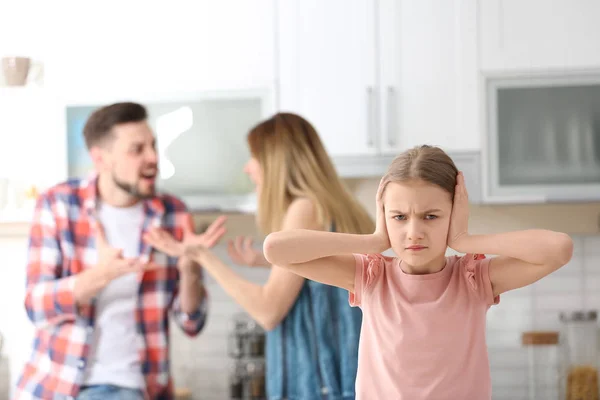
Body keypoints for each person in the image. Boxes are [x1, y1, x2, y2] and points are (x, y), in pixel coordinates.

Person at [261, 145, 574, 399]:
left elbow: (559, 248)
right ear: (385, 215)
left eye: (431, 216)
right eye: (399, 217)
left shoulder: (474, 279)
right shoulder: (371, 277)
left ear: (454, 213)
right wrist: (374, 240)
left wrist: (464, 239)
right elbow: (275, 248)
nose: (414, 231)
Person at [144, 112, 374, 400]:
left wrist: (204, 257)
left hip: (316, 386)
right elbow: (327, 284)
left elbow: (268, 311)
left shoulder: (304, 209)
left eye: (254, 157)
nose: (248, 168)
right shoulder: (340, 208)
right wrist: (270, 261)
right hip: (342, 382)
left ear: (276, 162)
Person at [14, 102, 226, 400]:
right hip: (56, 386)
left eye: (152, 145)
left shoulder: (173, 214)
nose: (153, 157)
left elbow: (192, 323)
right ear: (101, 159)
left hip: (136, 387)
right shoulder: (57, 205)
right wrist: (99, 276)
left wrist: (190, 268)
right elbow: (36, 306)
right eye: (136, 149)